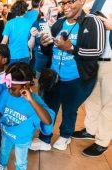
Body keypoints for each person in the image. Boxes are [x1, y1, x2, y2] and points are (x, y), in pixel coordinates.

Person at [30, 0, 105, 151]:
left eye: (71, 1)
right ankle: (45, 138)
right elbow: (50, 50)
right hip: (54, 77)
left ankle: (65, 136)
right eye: (63, 2)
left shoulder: (92, 21)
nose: (66, 6)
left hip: (76, 78)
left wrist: (71, 48)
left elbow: (97, 51)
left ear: (82, 1)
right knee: (49, 108)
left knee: (70, 109)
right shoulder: (59, 23)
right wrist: (45, 45)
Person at [0, 62, 54, 170]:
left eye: (13, 89)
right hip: (6, 133)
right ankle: (1, 166)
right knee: (3, 152)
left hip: (22, 139)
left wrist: (31, 100)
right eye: (8, 87)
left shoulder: (35, 102)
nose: (9, 91)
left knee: (20, 161)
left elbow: (47, 121)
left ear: (26, 86)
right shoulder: (7, 93)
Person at [72, 0, 112, 157]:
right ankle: (91, 130)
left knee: (109, 104)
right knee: (91, 97)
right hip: (94, 60)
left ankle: (102, 141)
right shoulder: (98, 1)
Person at [1, 0, 32, 64]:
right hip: (25, 54)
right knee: (24, 73)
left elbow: (4, 41)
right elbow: (30, 40)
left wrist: (0, 54)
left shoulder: (9, 23)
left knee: (12, 73)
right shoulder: (29, 23)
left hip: (12, 55)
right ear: (25, 10)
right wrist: (30, 51)